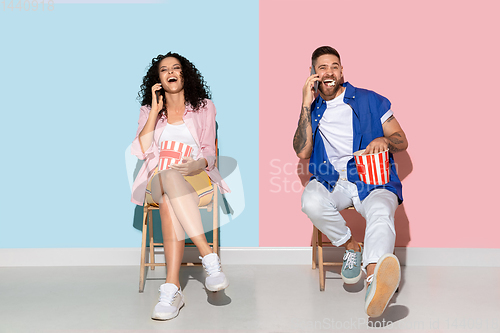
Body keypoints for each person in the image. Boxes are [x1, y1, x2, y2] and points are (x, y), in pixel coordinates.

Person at [294, 46, 408, 318]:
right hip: (334, 179)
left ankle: (373, 281)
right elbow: (302, 151)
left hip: (373, 178)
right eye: (322, 67)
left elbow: (401, 140)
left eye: (334, 66)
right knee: (310, 200)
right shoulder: (313, 109)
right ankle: (350, 247)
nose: (329, 71)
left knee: (381, 211)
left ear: (342, 70)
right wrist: (304, 105)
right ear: (313, 74)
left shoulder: (370, 99)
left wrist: (384, 141)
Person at [131, 52, 230, 320]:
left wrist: (199, 165)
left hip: (194, 175)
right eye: (164, 70)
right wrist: (154, 109)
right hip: (158, 177)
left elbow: (209, 150)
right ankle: (208, 257)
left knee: (167, 204)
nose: (171, 72)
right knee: (169, 174)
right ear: (158, 79)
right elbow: (141, 151)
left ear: (184, 75)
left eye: (176, 68)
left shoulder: (204, 107)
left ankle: (172, 289)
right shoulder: (147, 111)